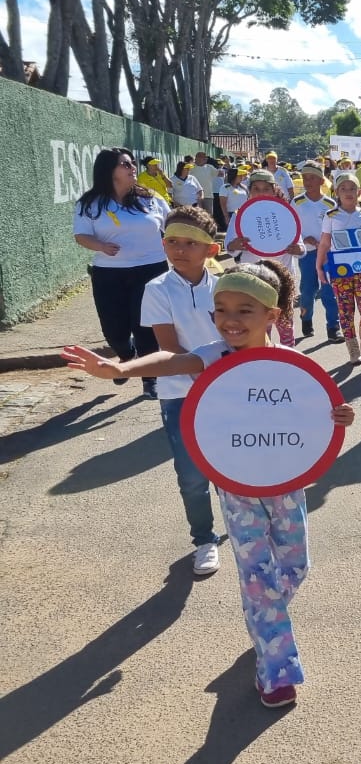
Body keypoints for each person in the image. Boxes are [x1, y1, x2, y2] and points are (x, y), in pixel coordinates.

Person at [64, 262, 355, 708]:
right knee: (257, 573)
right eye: (221, 309)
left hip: (285, 483)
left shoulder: (292, 365)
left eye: (245, 309)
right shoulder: (212, 355)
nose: (230, 320)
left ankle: (267, 618)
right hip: (235, 486)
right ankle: (275, 667)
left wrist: (339, 415)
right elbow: (169, 359)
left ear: (272, 316)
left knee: (294, 566)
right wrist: (120, 369)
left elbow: (318, 411)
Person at [139, 206, 223, 575]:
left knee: (232, 466)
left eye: (190, 243)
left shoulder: (226, 286)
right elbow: (169, 350)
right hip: (179, 395)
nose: (180, 249)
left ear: (211, 249)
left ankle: (241, 526)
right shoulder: (156, 289)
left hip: (228, 392)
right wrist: (205, 383)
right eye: (172, 241)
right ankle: (204, 540)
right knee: (191, 475)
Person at [72, 147, 170, 400]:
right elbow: (81, 235)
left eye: (132, 164)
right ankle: (126, 357)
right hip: (109, 273)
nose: (132, 168)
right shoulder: (90, 204)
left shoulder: (151, 198)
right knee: (114, 330)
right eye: (125, 165)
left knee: (145, 326)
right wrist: (100, 246)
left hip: (151, 270)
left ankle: (150, 379)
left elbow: (173, 225)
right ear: (109, 171)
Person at [225, 170, 305, 347]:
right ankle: (261, 361)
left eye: (266, 189)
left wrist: (297, 248)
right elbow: (228, 245)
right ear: (249, 191)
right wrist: (235, 245)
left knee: (285, 326)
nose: (261, 193)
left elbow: (300, 245)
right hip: (252, 281)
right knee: (258, 327)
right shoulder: (240, 215)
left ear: (274, 190)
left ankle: (288, 361)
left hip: (282, 280)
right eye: (256, 188)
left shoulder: (285, 213)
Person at [316, 171, 361, 364]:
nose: (348, 192)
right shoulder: (331, 215)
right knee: (345, 310)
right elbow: (325, 243)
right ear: (336, 192)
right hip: (341, 271)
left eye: (352, 188)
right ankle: (352, 348)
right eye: (343, 188)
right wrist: (319, 267)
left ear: (359, 191)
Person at [294, 160, 341, 342]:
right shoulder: (297, 202)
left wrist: (326, 241)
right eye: (305, 178)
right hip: (308, 253)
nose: (308, 181)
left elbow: (336, 227)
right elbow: (292, 226)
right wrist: (303, 239)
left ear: (322, 181)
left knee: (329, 290)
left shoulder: (330, 204)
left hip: (327, 254)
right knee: (308, 290)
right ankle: (306, 318)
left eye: (312, 178)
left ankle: (333, 327)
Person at [190, 151, 219, 217]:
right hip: (195, 196)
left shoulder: (210, 167)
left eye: (205, 158)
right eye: (203, 158)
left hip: (208, 195)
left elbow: (220, 174)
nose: (205, 159)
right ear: (196, 158)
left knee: (209, 216)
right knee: (196, 215)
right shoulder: (191, 167)